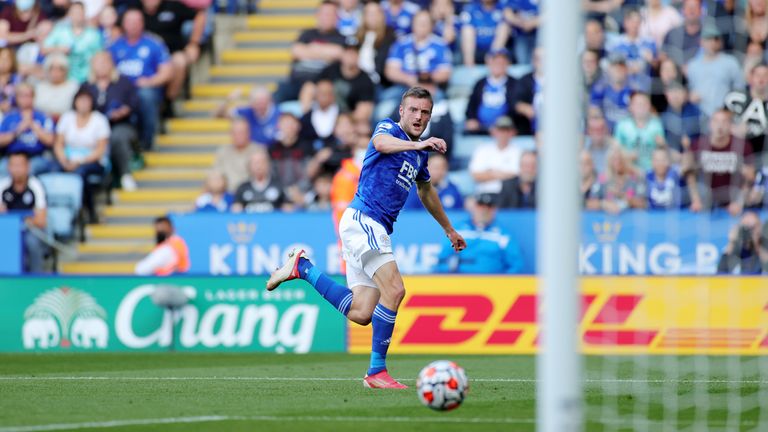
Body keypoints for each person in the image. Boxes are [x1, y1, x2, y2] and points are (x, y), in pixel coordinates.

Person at [266, 86, 466, 389]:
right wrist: (419, 145)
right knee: (395, 290)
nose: (419, 116)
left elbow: (426, 191)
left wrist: (448, 228)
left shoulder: (419, 156)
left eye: (425, 112)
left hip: (373, 227)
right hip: (364, 219)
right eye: (413, 110)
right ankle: (376, 372)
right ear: (401, 111)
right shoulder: (388, 128)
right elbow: (382, 144)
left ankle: (302, 268)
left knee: (362, 312)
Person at [109, 8, 173, 150]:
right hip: (122, 90)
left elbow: (167, 72)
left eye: (136, 21)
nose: (133, 25)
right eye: (129, 21)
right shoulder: (115, 45)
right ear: (123, 24)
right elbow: (106, 69)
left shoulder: (153, 43)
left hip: (145, 88)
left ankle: (147, 141)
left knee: (145, 95)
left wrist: (149, 81)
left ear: (142, 23)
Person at [80, 51, 141, 191]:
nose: (102, 66)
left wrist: (124, 111)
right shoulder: (86, 86)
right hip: (93, 128)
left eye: (105, 62)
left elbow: (135, 104)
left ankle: (125, 174)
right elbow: (77, 106)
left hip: (120, 125)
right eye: (98, 63)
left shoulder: (123, 82)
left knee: (116, 137)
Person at [53, 88, 110, 221]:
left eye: (86, 100)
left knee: (79, 174)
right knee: (53, 170)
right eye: (81, 100)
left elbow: (100, 150)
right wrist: (63, 160)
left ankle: (87, 210)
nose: (83, 103)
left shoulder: (99, 120)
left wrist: (79, 161)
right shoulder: (67, 117)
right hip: (68, 159)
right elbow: (58, 144)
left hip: (92, 161)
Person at [131, 0, 205, 101]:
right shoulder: (134, 8)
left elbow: (199, 15)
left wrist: (194, 43)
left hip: (171, 54)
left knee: (179, 61)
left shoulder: (173, 6)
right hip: (144, 56)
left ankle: (169, 101)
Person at [683, 109, 755, 213]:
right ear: (710, 124)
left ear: (730, 125)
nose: (720, 125)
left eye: (724, 121)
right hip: (706, 201)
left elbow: (750, 177)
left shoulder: (742, 145)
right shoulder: (698, 144)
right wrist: (696, 200)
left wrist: (739, 202)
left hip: (733, 200)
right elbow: (687, 172)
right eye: (716, 121)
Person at [275, 0, 345, 103]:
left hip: (323, 84)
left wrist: (311, 49)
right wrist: (325, 52)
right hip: (296, 82)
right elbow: (295, 51)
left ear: (336, 17)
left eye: (329, 14)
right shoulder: (307, 34)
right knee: (276, 94)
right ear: (317, 15)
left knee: (310, 90)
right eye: (323, 14)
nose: (326, 17)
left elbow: (339, 53)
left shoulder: (341, 38)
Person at [435, 192, 522, 274]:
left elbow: (516, 265)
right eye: (481, 206)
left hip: (491, 285)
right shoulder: (459, 230)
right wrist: (451, 272)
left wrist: (502, 284)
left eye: (489, 207)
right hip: (462, 284)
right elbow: (442, 260)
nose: (484, 210)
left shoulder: (503, 235)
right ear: (474, 207)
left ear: (494, 210)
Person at [299, 42, 375, 124]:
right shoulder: (331, 70)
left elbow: (363, 111)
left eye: (353, 53)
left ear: (358, 56)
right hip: (323, 112)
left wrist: (342, 122)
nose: (350, 56)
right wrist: (307, 113)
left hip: (346, 120)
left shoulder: (365, 80)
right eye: (347, 53)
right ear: (342, 55)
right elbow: (309, 87)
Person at [0, 152, 47, 273]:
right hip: (7, 231)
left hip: (31, 230)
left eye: (20, 165)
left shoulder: (36, 186)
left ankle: (36, 279)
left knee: (32, 243)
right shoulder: (3, 186)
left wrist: (20, 220)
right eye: (13, 165)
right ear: (8, 167)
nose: (17, 169)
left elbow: (41, 220)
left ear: (28, 167)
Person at [685, 25, 745, 117]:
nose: (712, 42)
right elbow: (689, 90)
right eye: (708, 39)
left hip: (725, 116)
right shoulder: (692, 65)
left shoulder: (730, 62)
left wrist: (732, 110)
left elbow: (740, 88)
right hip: (700, 117)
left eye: (716, 39)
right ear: (701, 42)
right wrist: (690, 96)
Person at [0, 83, 55, 177]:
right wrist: (17, 131)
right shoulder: (8, 117)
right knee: (3, 169)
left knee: (28, 169)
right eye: (22, 96)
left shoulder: (43, 117)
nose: (25, 99)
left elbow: (51, 141)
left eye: (28, 95)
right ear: (17, 98)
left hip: (35, 157)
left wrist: (33, 126)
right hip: (12, 157)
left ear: (33, 97)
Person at [42, 1, 103, 83]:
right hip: (65, 77)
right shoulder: (60, 31)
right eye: (74, 12)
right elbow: (44, 49)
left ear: (84, 14)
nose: (77, 15)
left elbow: (100, 55)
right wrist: (59, 49)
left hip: (88, 77)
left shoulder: (93, 34)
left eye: (79, 12)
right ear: (69, 14)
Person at [465, 48, 517, 134]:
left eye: (502, 62)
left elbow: (515, 108)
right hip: (480, 128)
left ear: (507, 64)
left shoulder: (514, 84)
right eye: (495, 62)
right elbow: (471, 105)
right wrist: (472, 119)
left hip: (505, 129)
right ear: (489, 63)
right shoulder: (480, 83)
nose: (498, 65)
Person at [613, 91, 665, 172]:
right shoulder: (622, 126)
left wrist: (662, 145)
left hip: (652, 171)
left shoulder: (656, 125)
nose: (641, 107)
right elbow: (616, 150)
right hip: (628, 171)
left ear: (649, 106)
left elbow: (661, 150)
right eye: (638, 104)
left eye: (644, 104)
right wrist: (627, 156)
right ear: (630, 107)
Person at [469, 116, 521, 194]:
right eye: (500, 130)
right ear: (493, 131)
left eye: (507, 130)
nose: (503, 134)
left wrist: (490, 172)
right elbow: (476, 175)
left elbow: (519, 176)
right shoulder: (482, 150)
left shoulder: (518, 152)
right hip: (485, 195)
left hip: (509, 195)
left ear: (513, 132)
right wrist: (505, 174)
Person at [213, 85, 279, 147]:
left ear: (270, 101)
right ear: (251, 103)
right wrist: (228, 100)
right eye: (257, 103)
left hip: (274, 154)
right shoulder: (247, 112)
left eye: (263, 103)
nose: (260, 106)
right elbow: (218, 114)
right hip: (251, 153)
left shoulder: (279, 114)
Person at [232, 148, 289, 213]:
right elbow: (236, 211)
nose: (259, 166)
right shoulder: (242, 188)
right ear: (249, 166)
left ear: (268, 164)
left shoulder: (279, 186)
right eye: (255, 163)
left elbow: (288, 210)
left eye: (262, 162)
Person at [596, 144, 647, 214]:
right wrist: (604, 204)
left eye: (620, 159)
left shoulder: (636, 177)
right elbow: (590, 202)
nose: (617, 162)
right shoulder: (603, 178)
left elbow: (642, 204)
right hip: (608, 221)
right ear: (609, 161)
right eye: (614, 159)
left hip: (631, 219)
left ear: (625, 160)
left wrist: (622, 195)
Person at [355, 1, 397, 87]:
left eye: (376, 13)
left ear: (382, 15)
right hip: (357, 80)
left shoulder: (390, 36)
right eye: (369, 13)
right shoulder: (357, 36)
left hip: (379, 82)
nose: (372, 17)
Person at [213, 118, 259, 194]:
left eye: (241, 132)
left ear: (248, 133)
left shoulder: (257, 151)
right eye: (235, 133)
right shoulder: (223, 152)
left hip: (253, 195)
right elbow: (215, 176)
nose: (238, 136)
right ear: (230, 134)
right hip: (228, 194)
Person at [661, 81, 704, 160]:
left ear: (685, 93)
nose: (675, 96)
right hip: (673, 158)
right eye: (672, 93)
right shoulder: (665, 116)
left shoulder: (696, 112)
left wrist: (691, 144)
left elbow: (705, 136)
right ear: (666, 95)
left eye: (678, 92)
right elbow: (663, 140)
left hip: (694, 156)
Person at [459, 0, 508, 66]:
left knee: (504, 27)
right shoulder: (471, 8)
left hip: (495, 50)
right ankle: (469, 66)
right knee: (467, 29)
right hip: (475, 50)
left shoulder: (502, 8)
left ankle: (493, 63)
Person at [33, 53, 80, 120]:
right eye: (52, 68)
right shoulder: (40, 87)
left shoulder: (73, 86)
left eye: (60, 69)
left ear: (66, 71)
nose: (55, 72)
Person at [661, 0, 703, 67]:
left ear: (701, 10)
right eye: (689, 7)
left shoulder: (708, 34)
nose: (691, 10)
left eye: (695, 7)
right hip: (677, 72)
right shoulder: (672, 33)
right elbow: (663, 55)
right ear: (683, 10)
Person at [502, 0, 540, 65]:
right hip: (520, 34)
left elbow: (550, 13)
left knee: (538, 59)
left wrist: (532, 23)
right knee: (522, 61)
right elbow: (508, 13)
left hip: (538, 34)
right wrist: (521, 23)